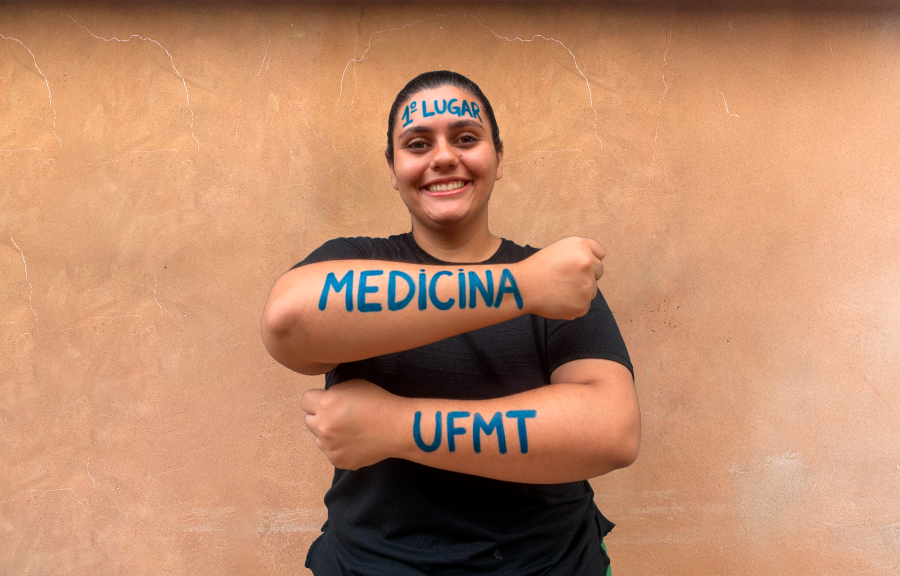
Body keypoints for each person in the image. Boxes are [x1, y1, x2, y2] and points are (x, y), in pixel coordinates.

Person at [261, 70, 639, 576]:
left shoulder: (560, 281)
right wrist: (522, 286)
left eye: (465, 138)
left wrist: (395, 427)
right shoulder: (357, 260)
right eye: (418, 144)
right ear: (393, 168)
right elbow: (288, 322)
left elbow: (612, 431)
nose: (442, 157)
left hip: (550, 565)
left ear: (498, 157)